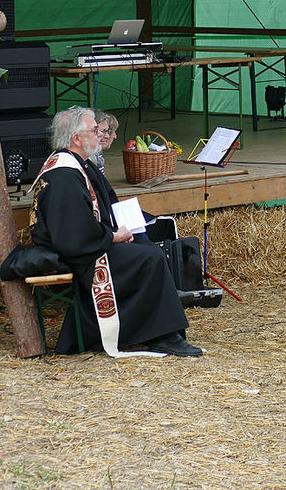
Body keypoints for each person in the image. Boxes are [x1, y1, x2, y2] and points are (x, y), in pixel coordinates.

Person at [28, 106, 202, 357]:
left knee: (147, 247)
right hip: (78, 254)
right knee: (150, 259)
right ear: (76, 138)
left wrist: (119, 230)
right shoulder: (65, 175)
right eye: (94, 130)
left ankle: (159, 331)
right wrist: (112, 236)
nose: (99, 135)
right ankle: (162, 336)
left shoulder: (77, 164)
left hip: (85, 243)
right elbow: (73, 234)